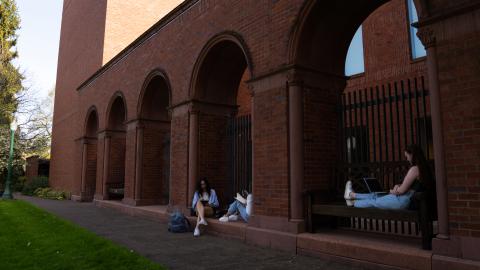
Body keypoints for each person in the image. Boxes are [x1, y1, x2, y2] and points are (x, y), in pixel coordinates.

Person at [344, 144, 433, 209]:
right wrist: (398, 187)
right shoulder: (424, 169)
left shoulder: (414, 169)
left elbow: (401, 191)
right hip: (407, 199)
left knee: (375, 201)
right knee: (376, 196)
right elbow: (411, 187)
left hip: (403, 200)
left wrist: (393, 190)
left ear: (412, 154)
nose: (407, 159)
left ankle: (353, 202)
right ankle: (352, 195)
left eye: (407, 156)